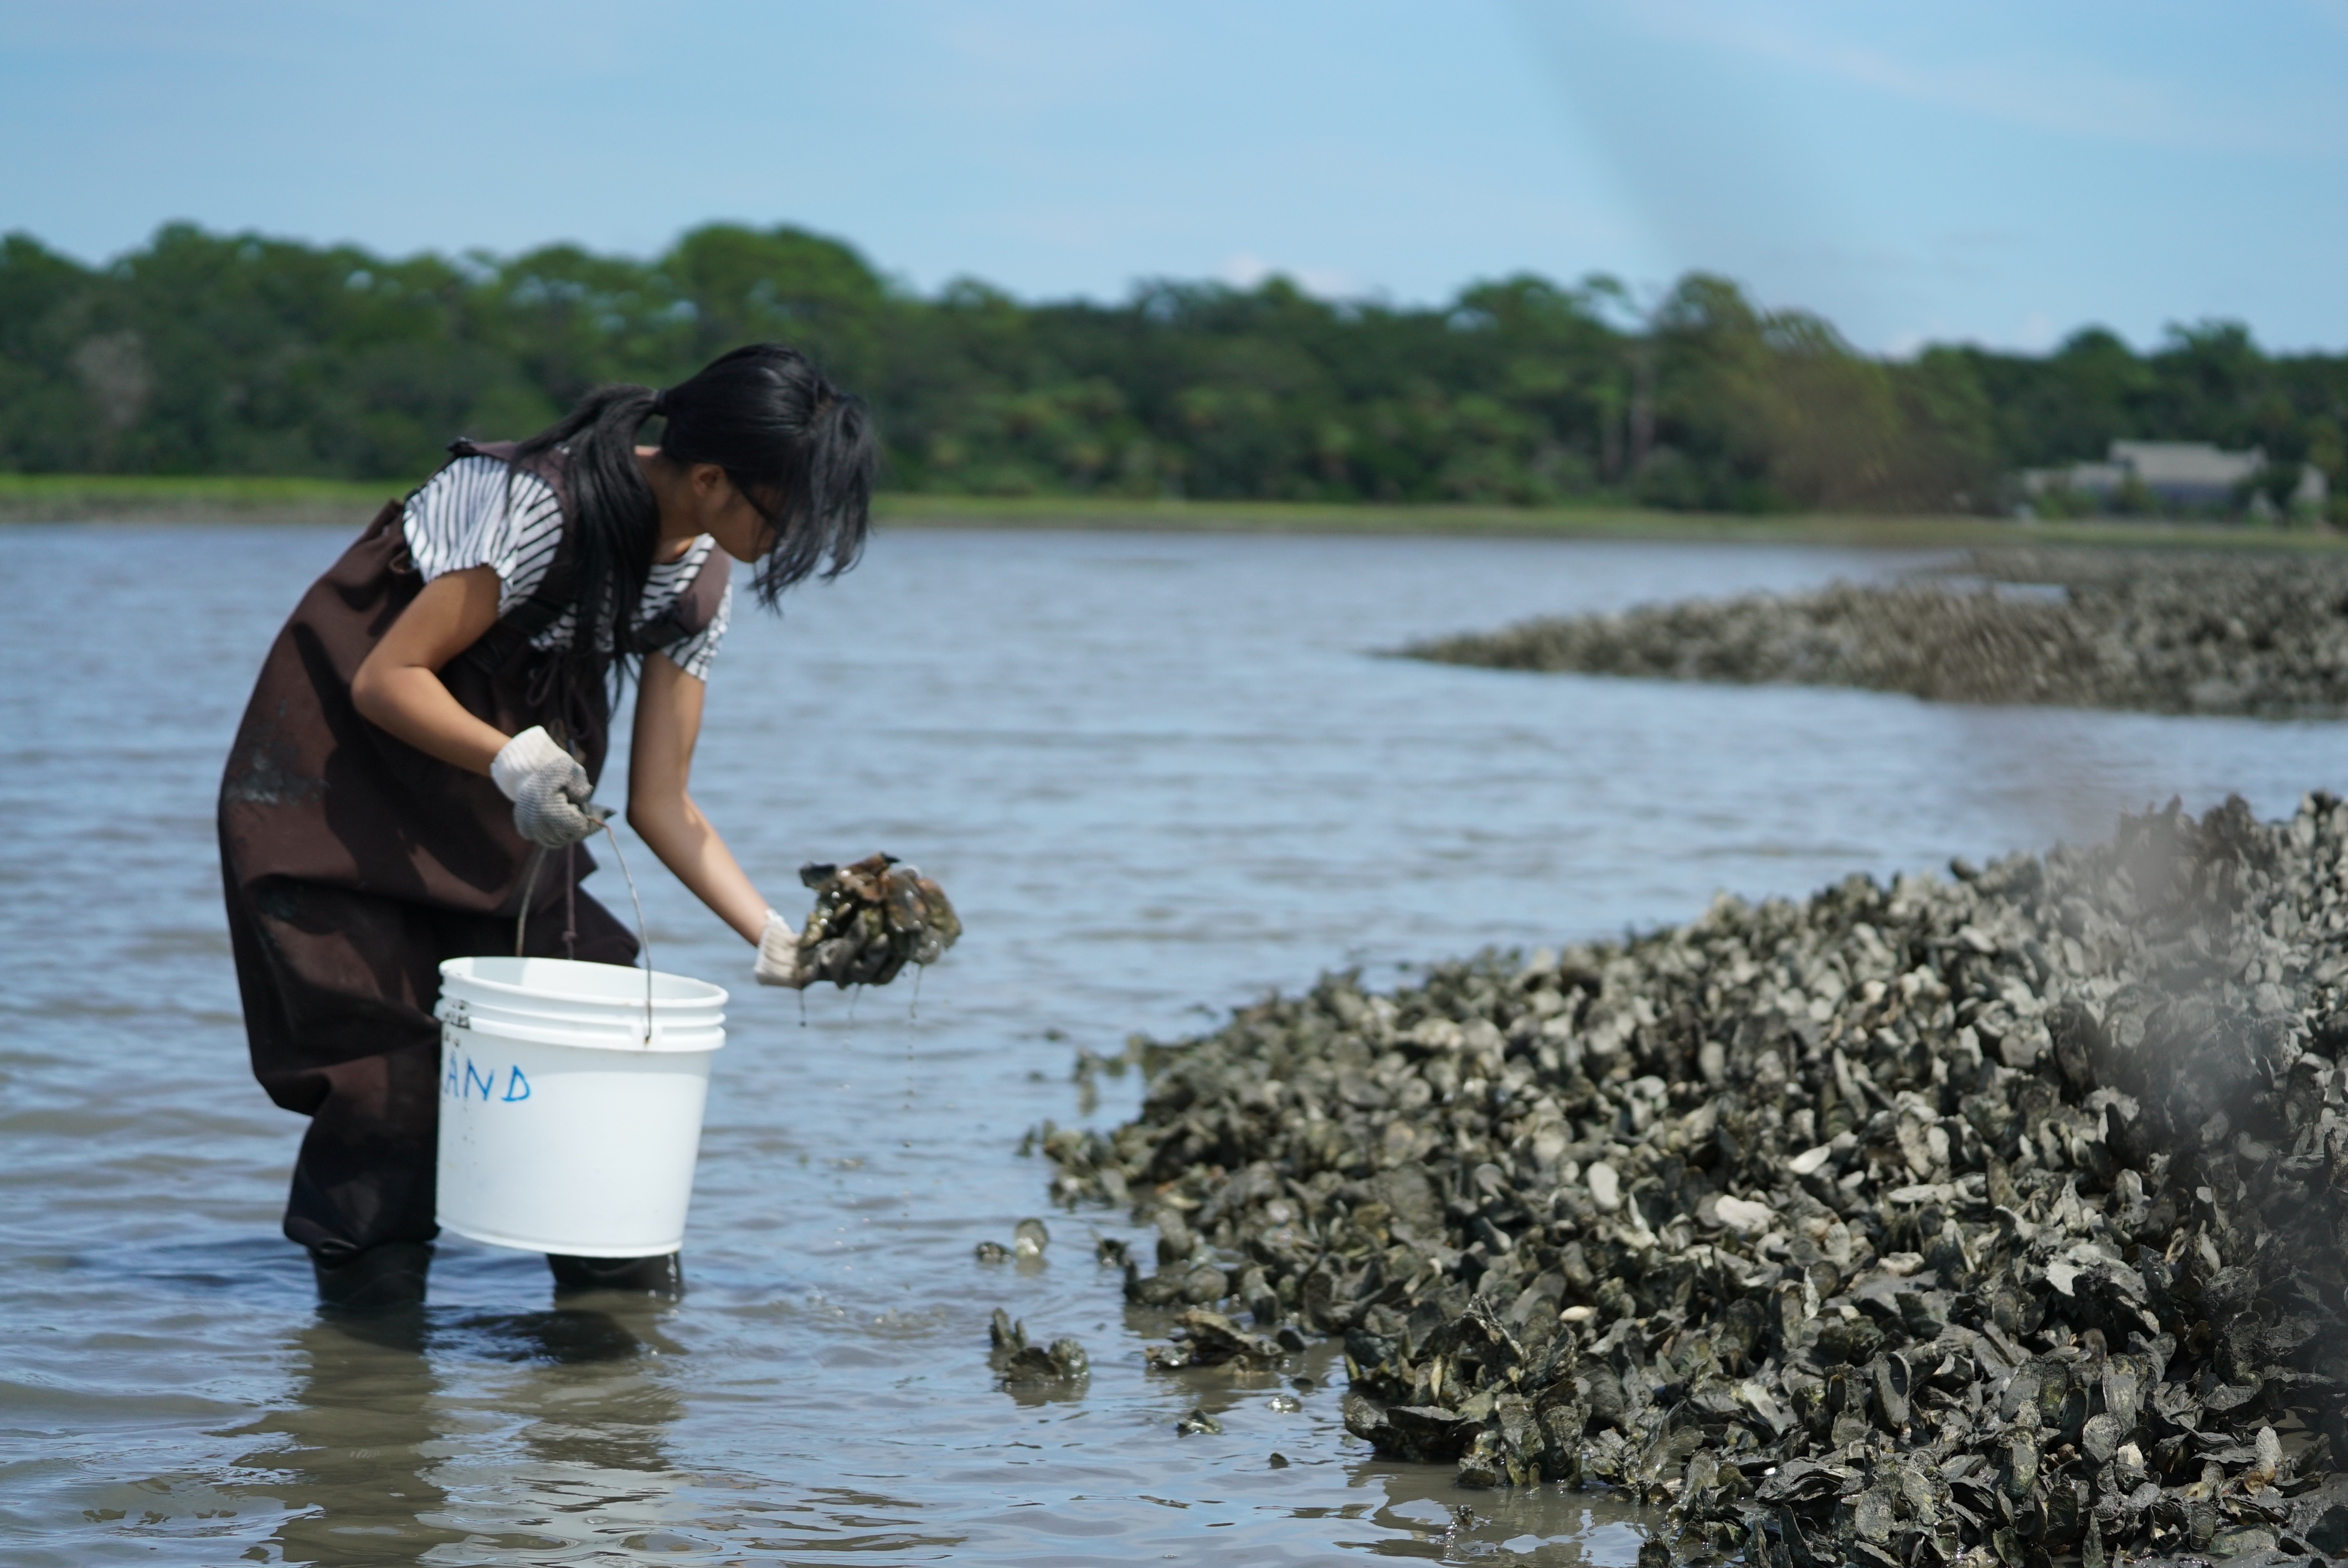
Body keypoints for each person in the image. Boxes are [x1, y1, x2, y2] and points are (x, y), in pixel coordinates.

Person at [219, 344, 874, 1312]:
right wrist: (510, 759)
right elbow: (387, 679)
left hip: (494, 829)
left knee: (603, 1046)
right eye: (786, 513)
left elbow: (663, 802)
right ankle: (367, 1387)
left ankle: (610, 1364)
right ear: (708, 476)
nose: (791, 539)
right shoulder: (534, 504)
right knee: (388, 1095)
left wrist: (773, 936)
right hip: (334, 810)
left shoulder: (698, 579)